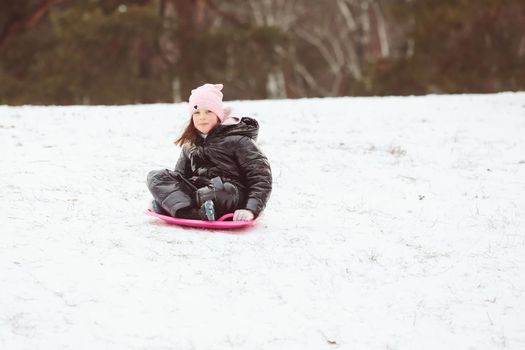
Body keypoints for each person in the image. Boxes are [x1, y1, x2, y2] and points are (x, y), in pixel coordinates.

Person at [147, 83, 272, 221]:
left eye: (208, 111)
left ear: (218, 114)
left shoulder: (239, 141)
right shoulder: (190, 144)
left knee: (222, 192)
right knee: (156, 177)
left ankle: (176, 208)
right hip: (199, 192)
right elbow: (180, 176)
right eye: (197, 113)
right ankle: (197, 213)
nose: (202, 117)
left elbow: (261, 178)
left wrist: (251, 209)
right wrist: (170, 191)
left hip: (230, 194)